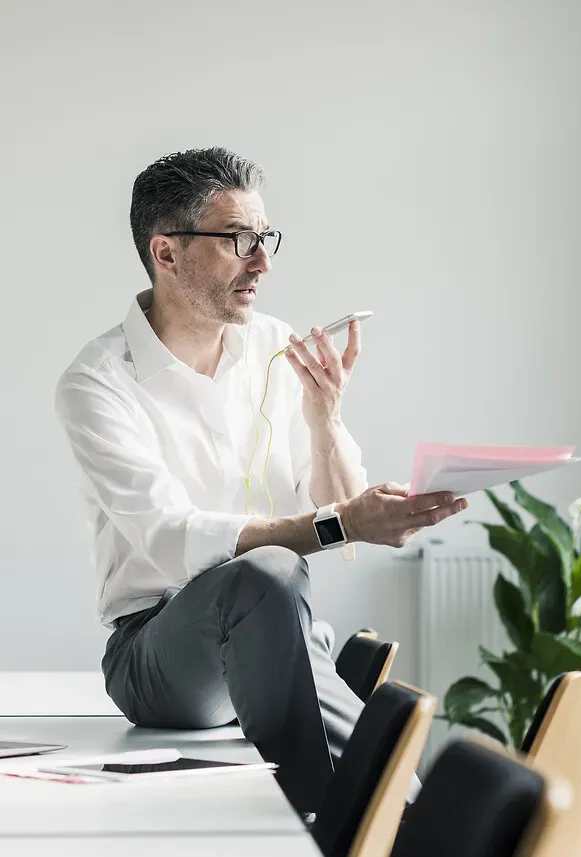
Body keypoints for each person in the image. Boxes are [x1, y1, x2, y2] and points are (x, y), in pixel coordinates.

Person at [54, 147, 469, 813]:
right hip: (157, 657)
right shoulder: (98, 382)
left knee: (274, 581)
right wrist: (341, 523)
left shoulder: (273, 348)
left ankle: (399, 818)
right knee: (268, 571)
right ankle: (401, 818)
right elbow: (170, 537)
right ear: (166, 253)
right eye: (238, 240)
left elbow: (339, 513)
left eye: (265, 238)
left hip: (271, 632)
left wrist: (326, 420)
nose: (263, 263)